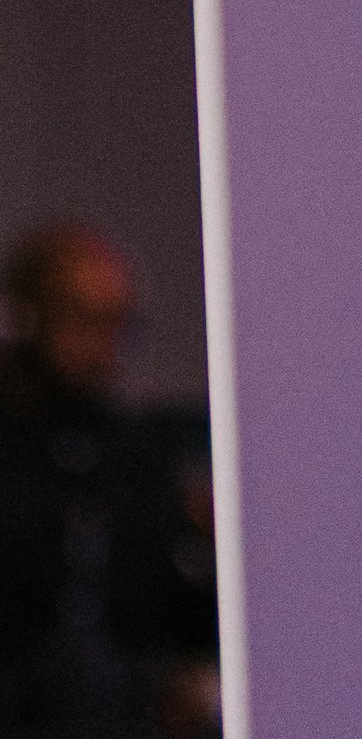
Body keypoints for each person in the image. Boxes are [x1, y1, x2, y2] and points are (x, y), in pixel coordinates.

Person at [0, 229, 217, 737]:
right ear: (25, 320)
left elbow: (176, 615)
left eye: (118, 324)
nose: (105, 346)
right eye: (84, 319)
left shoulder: (141, 459)